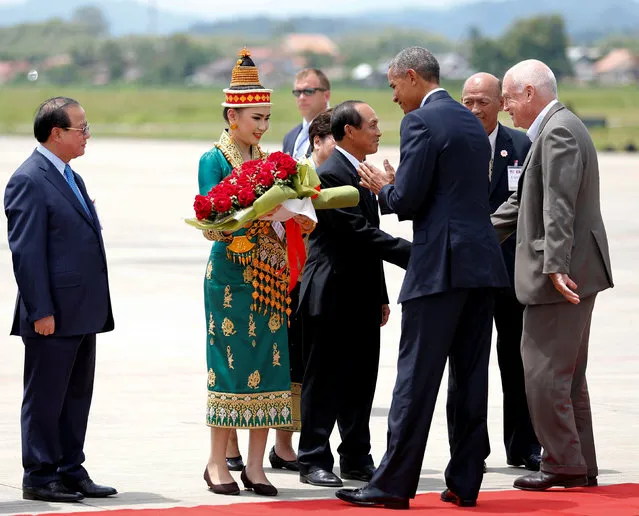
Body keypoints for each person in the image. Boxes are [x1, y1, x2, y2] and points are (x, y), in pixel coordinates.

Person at [336, 47, 509, 509]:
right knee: (470, 378)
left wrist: (383, 186)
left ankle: (391, 484)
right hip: (482, 264)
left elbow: (409, 200)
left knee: (415, 379)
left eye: (394, 86)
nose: (394, 98)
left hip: (440, 268)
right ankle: (466, 480)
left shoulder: (421, 123)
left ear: (412, 77)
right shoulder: (472, 122)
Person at [492, 59, 613, 491]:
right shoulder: (555, 127)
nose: (504, 106)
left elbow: (558, 205)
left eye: (507, 96)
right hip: (576, 270)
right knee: (567, 378)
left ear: (529, 92)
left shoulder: (557, 130)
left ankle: (562, 463)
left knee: (543, 376)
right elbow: (525, 203)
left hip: (562, 276)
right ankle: (579, 464)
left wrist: (555, 266)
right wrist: (477, 232)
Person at [199, 49, 314, 497]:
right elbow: (212, 223)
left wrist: (294, 213)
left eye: (267, 118)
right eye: (255, 118)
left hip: (269, 277)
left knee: (271, 366)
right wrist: (258, 214)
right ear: (232, 116)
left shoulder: (271, 163)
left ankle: (254, 466)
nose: (263, 127)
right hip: (230, 275)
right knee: (228, 367)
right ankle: (215, 462)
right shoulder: (214, 159)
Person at [4, 97, 117, 502]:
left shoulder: (69, 175)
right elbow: (27, 253)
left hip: (82, 310)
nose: (87, 135)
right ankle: (39, 474)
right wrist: (42, 310)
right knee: (46, 397)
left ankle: (70, 468)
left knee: (74, 395)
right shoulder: (29, 180)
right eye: (81, 128)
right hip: (52, 313)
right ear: (57, 133)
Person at [297, 100, 411, 488]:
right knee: (324, 380)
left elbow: (366, 243)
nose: (380, 131)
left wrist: (379, 294)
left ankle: (357, 459)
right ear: (350, 132)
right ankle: (313, 458)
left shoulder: (360, 171)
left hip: (359, 293)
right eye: (373, 125)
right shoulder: (330, 174)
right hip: (330, 293)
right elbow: (357, 234)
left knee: (361, 382)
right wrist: (414, 254)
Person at [460, 72, 541, 471]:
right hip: (468, 274)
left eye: (482, 102)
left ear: (501, 103)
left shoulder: (522, 144)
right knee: (468, 366)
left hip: (512, 271)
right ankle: (472, 448)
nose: (474, 110)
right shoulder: (452, 145)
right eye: (468, 102)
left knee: (517, 360)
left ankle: (524, 445)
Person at [268, 108, 337, 474]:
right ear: (317, 141)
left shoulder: (334, 175)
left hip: (315, 281)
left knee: (306, 364)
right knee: (289, 361)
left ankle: (290, 443)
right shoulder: (297, 176)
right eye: (333, 141)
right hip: (290, 278)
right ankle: (280, 445)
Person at [282, 68, 331, 160]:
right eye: (297, 92)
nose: (301, 97)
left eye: (308, 91)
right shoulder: (290, 137)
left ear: (326, 96)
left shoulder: (339, 132)